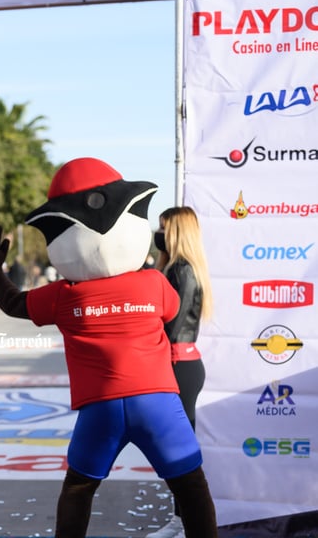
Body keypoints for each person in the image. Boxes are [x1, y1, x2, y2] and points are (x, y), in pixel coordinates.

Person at [0, 157, 217, 538]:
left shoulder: (63, 294)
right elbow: (172, 315)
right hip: (157, 401)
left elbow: (13, 303)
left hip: (100, 406)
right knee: (190, 485)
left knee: (79, 489)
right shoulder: (153, 282)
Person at [146, 206, 213, 538]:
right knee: (174, 447)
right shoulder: (175, 269)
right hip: (176, 365)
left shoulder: (182, 271)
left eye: (162, 227)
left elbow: (169, 326)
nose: (157, 233)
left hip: (178, 366)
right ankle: (180, 518)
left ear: (176, 232)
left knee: (179, 449)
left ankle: (183, 521)